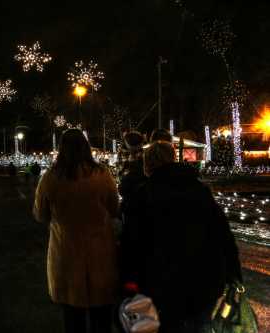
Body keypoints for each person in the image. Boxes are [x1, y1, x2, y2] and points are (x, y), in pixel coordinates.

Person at [120, 141, 242, 333]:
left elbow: (132, 244)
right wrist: (233, 272)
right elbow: (222, 234)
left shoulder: (143, 196)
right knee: (200, 326)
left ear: (148, 165)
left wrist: (128, 282)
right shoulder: (200, 191)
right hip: (204, 281)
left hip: (162, 285)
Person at [33, 129, 120, 333]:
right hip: (100, 253)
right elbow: (114, 208)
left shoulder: (51, 178)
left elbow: (40, 214)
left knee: (72, 318)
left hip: (66, 253)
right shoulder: (102, 174)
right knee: (102, 319)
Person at [119, 131, 147, 212]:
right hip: (143, 202)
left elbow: (123, 185)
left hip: (132, 203)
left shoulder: (134, 161)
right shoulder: (146, 156)